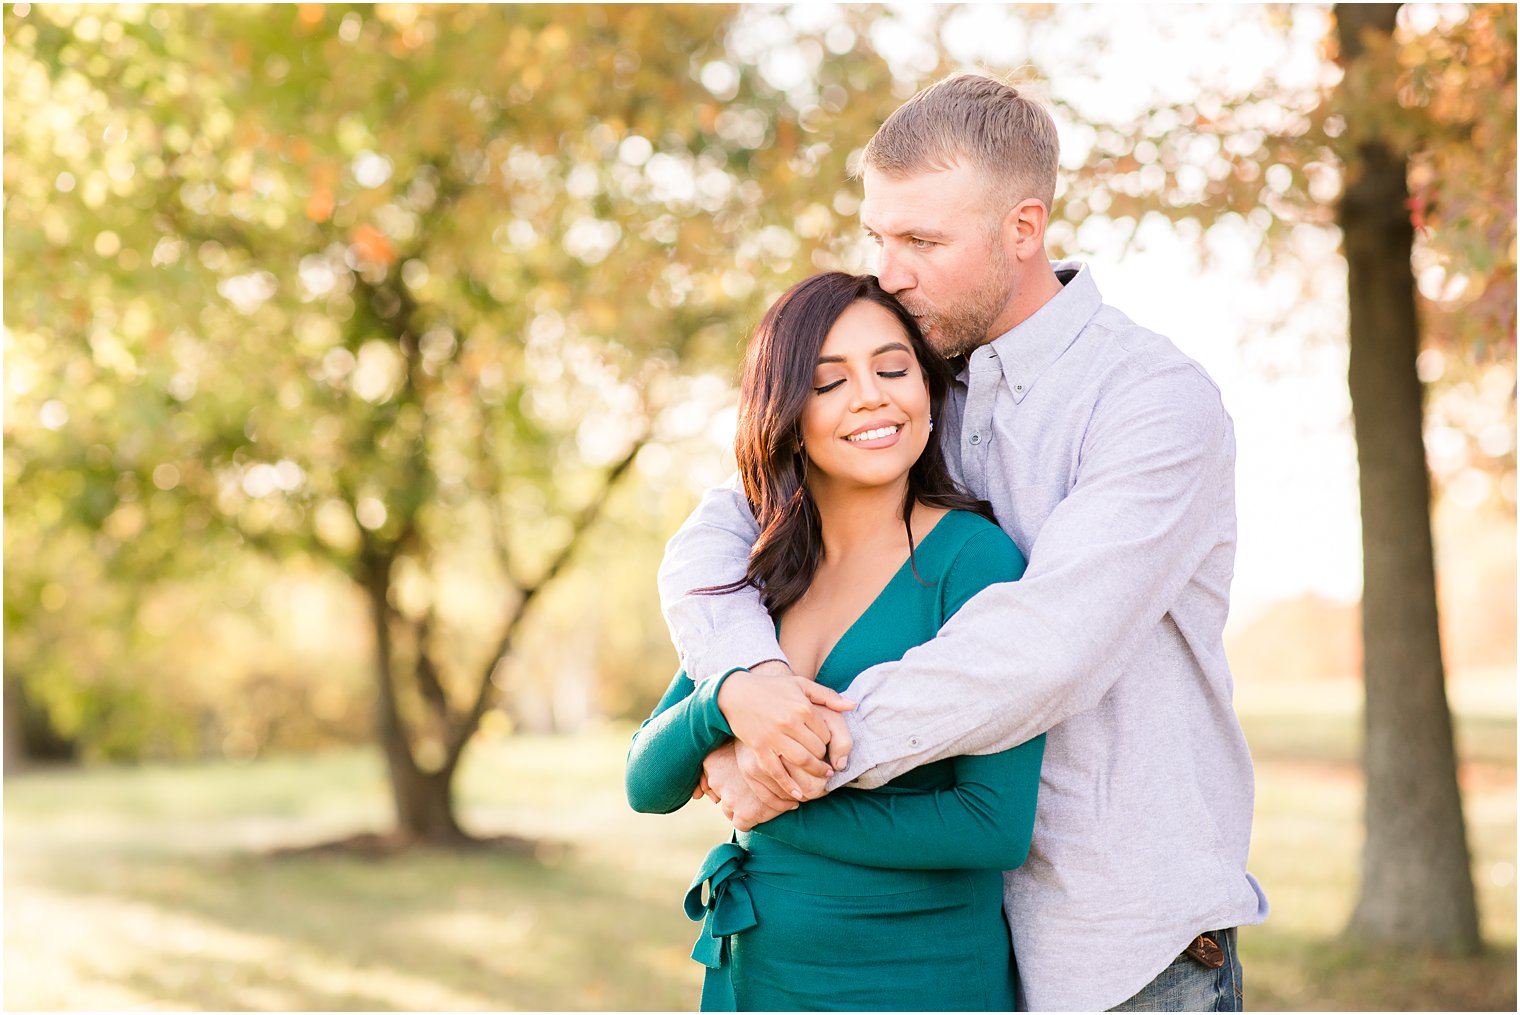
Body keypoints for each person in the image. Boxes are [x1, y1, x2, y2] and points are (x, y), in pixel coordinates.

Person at [657, 73, 1269, 1012]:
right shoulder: (908, 385)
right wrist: (745, 684)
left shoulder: (1151, 402)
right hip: (947, 942)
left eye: (922, 241)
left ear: (1024, 229)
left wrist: (797, 755)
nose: (888, 271)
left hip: (1123, 950)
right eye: (879, 236)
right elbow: (720, 532)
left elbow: (1041, 652)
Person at [626, 271, 1047, 1011]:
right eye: (830, 382)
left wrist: (773, 801)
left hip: (918, 980)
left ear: (927, 389)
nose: (872, 396)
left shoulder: (973, 560)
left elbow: (992, 826)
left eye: (893, 368)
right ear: (786, 412)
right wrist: (727, 699)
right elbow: (645, 780)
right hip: (758, 977)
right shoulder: (762, 564)